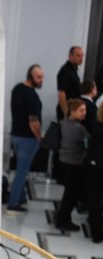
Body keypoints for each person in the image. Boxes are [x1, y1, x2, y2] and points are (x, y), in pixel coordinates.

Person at [8, 64, 44, 214]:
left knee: (20, 169)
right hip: (27, 139)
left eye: (42, 77)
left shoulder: (17, 89)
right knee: (22, 171)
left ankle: (20, 196)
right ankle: (13, 202)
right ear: (31, 77)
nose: (41, 80)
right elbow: (33, 121)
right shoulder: (32, 96)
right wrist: (39, 136)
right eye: (39, 77)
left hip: (15, 135)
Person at [56, 99, 89, 231]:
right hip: (75, 163)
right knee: (71, 194)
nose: (84, 113)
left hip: (64, 160)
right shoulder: (79, 129)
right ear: (73, 111)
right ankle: (63, 219)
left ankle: (63, 218)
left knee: (69, 192)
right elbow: (89, 143)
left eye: (85, 110)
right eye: (81, 110)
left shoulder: (64, 123)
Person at [83, 104, 103, 244]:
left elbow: (90, 147)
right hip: (98, 167)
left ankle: (96, 232)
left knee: (93, 200)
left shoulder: (97, 126)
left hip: (94, 167)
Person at [57, 46, 84, 121]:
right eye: (78, 55)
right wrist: (66, 113)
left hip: (73, 110)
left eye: (82, 56)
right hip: (67, 112)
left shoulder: (73, 70)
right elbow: (61, 94)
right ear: (70, 56)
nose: (81, 58)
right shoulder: (66, 71)